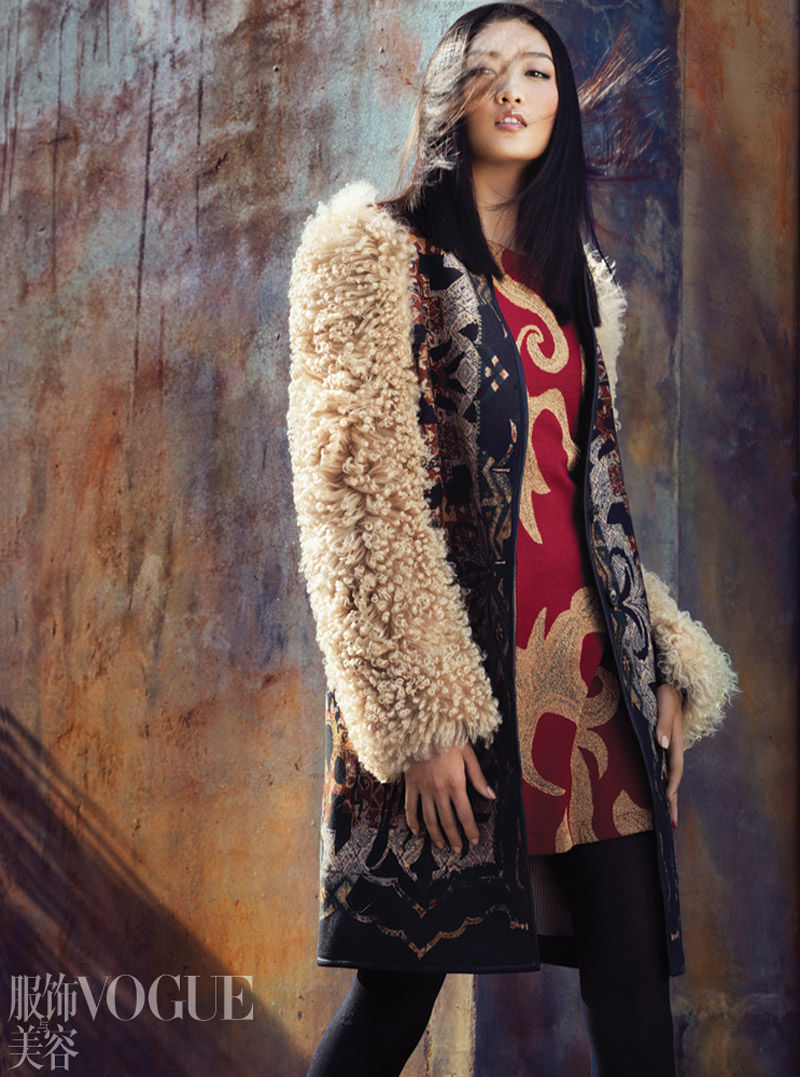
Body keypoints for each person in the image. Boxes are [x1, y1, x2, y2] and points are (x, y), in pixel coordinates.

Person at [287, 5, 737, 1074]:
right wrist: (419, 715)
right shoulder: (370, 255)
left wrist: (663, 660)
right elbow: (352, 500)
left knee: (635, 996)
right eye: (484, 69)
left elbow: (588, 506)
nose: (511, 89)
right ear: (446, 97)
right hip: (455, 691)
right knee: (394, 1001)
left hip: (590, 692)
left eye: (534, 71)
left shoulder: (574, 289)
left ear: (559, 103)